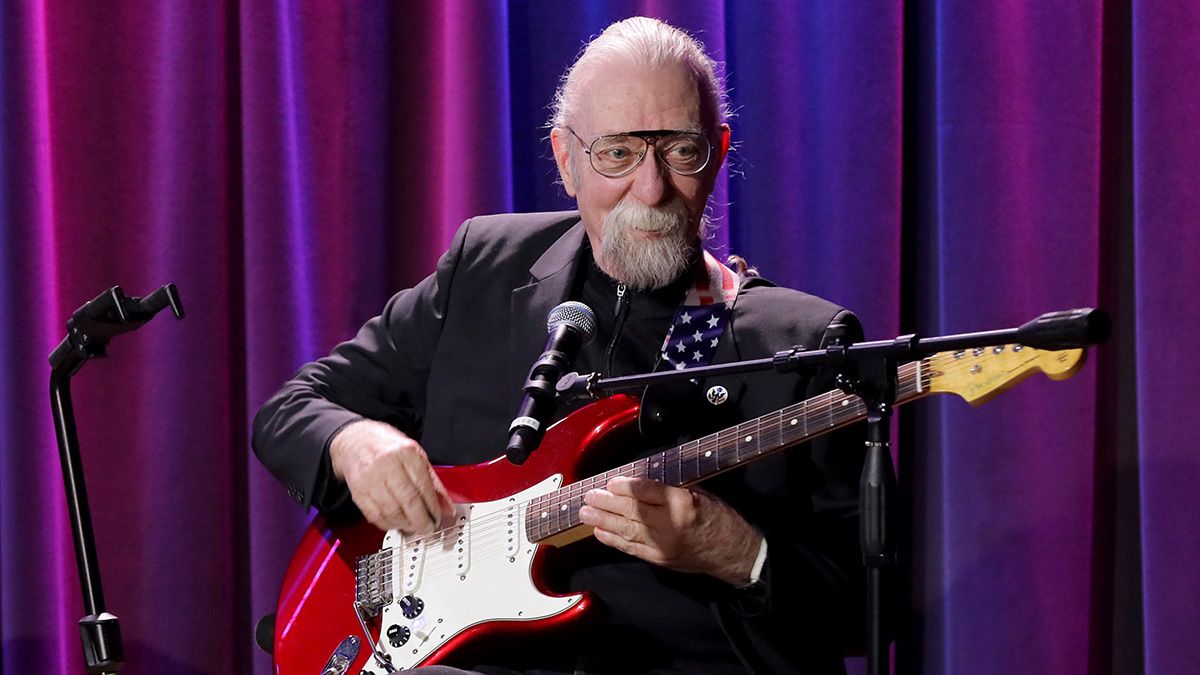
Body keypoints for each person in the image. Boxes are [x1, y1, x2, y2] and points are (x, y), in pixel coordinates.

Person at [254, 16, 865, 675]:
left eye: (680, 151)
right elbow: (293, 409)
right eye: (618, 153)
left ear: (717, 152)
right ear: (566, 160)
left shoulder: (801, 344)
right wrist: (355, 444)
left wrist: (739, 551)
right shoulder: (484, 267)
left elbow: (867, 608)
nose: (652, 188)